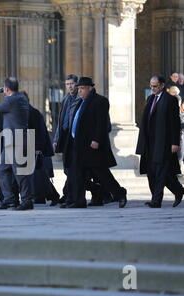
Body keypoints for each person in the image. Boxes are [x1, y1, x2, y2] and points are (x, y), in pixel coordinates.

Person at [65, 77, 127, 209]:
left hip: (92, 145)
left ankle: (120, 193)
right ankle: (79, 201)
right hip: (78, 145)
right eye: (79, 89)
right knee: (77, 174)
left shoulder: (100, 101)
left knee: (101, 173)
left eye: (82, 89)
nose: (79, 91)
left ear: (90, 88)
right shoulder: (80, 102)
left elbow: (101, 123)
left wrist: (96, 139)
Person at [136, 75, 184, 208]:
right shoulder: (151, 98)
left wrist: (175, 142)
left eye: (155, 86)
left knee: (160, 172)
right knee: (152, 172)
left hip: (163, 143)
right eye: (151, 86)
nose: (152, 88)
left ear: (162, 85)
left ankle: (156, 201)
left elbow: (175, 123)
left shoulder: (170, 100)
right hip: (150, 143)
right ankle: (178, 190)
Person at [0, 77, 34, 211]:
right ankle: (9, 199)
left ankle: (26, 200)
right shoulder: (22, 98)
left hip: (15, 141)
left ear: (7, 89)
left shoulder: (10, 100)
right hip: (13, 140)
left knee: (20, 172)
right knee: (2, 168)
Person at [22, 91, 60, 206]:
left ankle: (53, 196)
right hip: (29, 147)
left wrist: (37, 148)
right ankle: (40, 197)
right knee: (36, 175)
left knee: (40, 176)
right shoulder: (24, 112)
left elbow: (39, 132)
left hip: (36, 148)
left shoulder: (33, 113)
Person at [53, 74, 80, 206]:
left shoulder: (80, 99)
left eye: (72, 84)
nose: (70, 86)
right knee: (67, 168)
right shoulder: (65, 99)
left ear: (77, 84)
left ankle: (68, 194)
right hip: (65, 137)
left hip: (74, 138)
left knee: (73, 170)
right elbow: (60, 120)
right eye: (67, 84)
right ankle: (68, 194)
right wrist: (57, 138)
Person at [168, 86, 184, 171]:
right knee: (180, 148)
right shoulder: (176, 100)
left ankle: (180, 164)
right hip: (180, 130)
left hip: (179, 130)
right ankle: (181, 164)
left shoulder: (175, 99)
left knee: (180, 148)